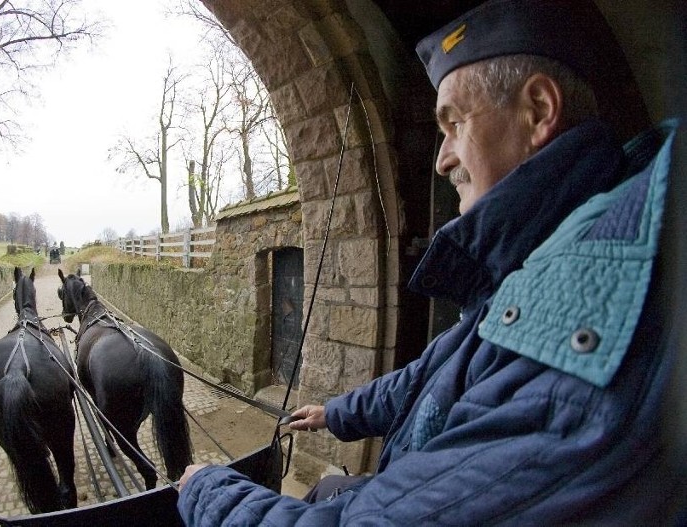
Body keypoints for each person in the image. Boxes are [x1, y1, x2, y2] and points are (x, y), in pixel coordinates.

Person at [177, 0, 682, 524]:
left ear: (537, 109)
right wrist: (337, 413)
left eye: (454, 124)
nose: (442, 159)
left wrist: (207, 489)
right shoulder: (538, 263)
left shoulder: (594, 293)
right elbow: (431, 372)